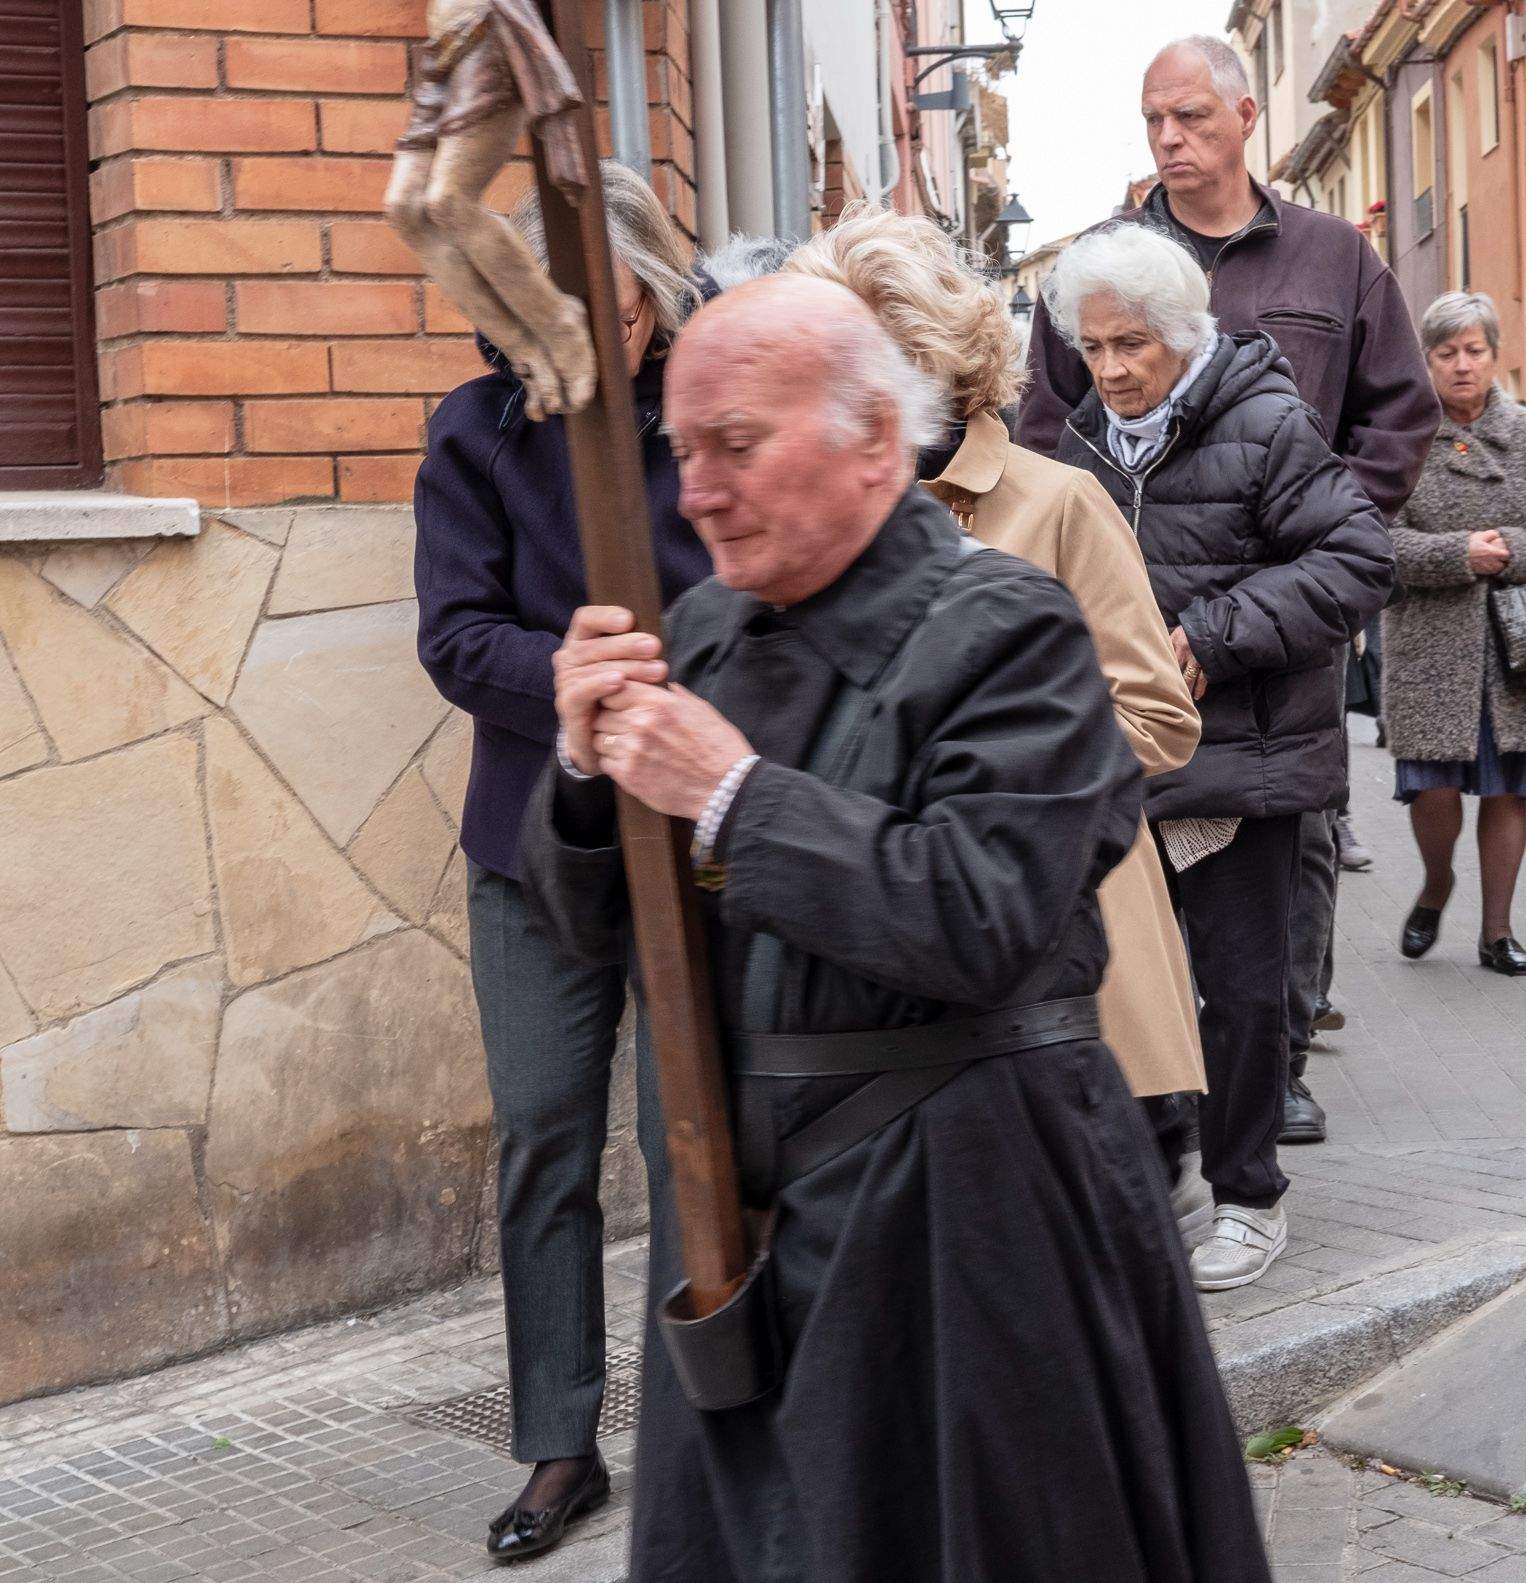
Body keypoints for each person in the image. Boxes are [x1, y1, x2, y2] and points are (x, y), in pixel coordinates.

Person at [522, 273, 1270, 1581]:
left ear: (875, 437)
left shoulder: (1013, 630)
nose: (696, 493)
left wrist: (731, 795)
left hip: (967, 1217)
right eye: (683, 451)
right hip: (743, 1218)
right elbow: (599, 934)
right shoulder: (698, 632)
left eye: (736, 445)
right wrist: (589, 774)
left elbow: (981, 914)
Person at [1019, 33, 1435, 1146]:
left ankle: (1274, 1068)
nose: (1169, 139)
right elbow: (1044, 430)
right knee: (1137, 866)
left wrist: (1305, 523)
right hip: (1133, 626)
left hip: (1283, 615)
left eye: (1191, 117)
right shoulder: (1104, 263)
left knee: (1289, 847)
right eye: (1153, 120)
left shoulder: (1333, 256)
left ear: (1246, 117)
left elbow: (1399, 414)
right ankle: (1164, 1093)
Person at [781, 203, 1212, 1242]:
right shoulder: (814, 518)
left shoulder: (1056, 502)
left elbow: (1158, 717)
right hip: (890, 955)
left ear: (926, 360)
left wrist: (993, 778)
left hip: (1059, 942)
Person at [412, 160, 710, 1562]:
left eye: (620, 300)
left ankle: (700, 1424)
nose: (601, 330)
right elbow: (455, 636)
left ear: (655, 284)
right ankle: (558, 1440)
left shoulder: (710, 407)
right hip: (533, 840)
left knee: (687, 1132)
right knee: (543, 1131)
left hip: (696, 834)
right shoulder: (473, 430)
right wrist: (571, 675)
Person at [1044, 223, 1395, 1290]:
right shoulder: (1080, 442)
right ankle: (1159, 1178)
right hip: (1126, 761)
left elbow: (1357, 556)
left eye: (1132, 344)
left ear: (1184, 333)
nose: (1111, 369)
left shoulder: (1267, 420)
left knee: (1242, 992)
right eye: (1093, 346)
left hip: (1244, 757)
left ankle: (1248, 1193)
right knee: (1128, 981)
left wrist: (1214, 632)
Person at [1384, 292, 1526, 977]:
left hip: (1520, 644)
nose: (1461, 365)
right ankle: (1436, 884)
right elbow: (1376, 541)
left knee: (1508, 789)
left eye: (1474, 350)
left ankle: (1498, 932)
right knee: (1431, 787)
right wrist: (1456, 554)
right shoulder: (1401, 438)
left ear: (1495, 355)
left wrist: (1510, 550)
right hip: (1428, 645)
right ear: (1426, 360)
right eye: (1446, 353)